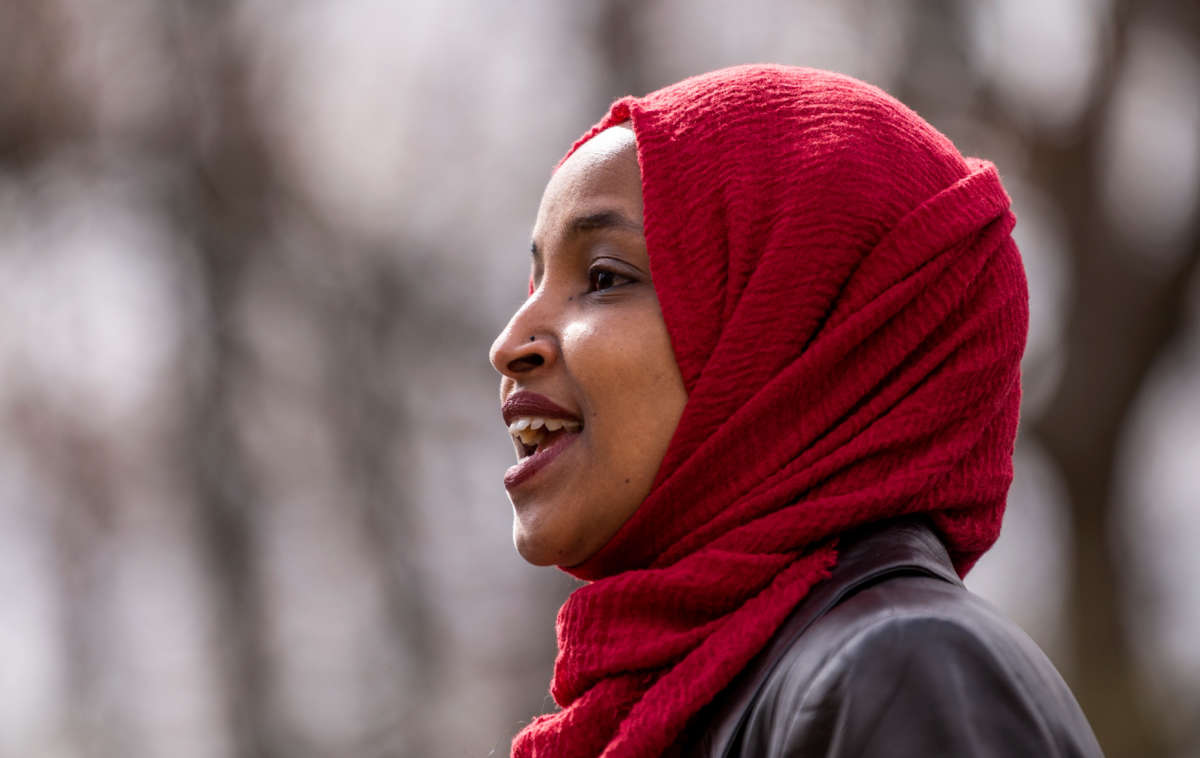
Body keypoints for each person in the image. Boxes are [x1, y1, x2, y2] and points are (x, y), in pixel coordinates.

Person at [489, 65, 1103, 758]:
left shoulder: (899, 671)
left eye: (603, 278)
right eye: (538, 279)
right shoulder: (699, 693)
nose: (508, 345)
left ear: (796, 332)